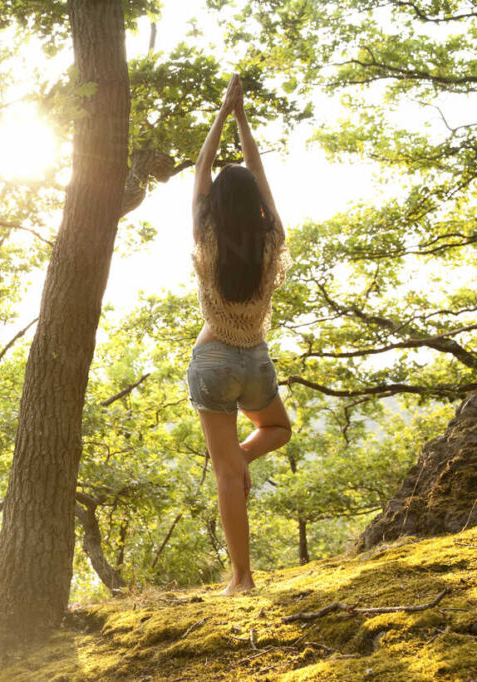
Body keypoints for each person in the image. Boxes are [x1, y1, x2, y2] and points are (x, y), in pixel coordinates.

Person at [188, 74, 293, 595]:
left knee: (227, 473)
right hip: (255, 360)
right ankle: (241, 456)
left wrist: (221, 116)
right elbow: (259, 173)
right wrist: (244, 118)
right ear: (255, 203)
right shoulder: (272, 238)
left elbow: (203, 170)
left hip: (212, 361)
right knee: (278, 429)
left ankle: (242, 579)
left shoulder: (205, 235)